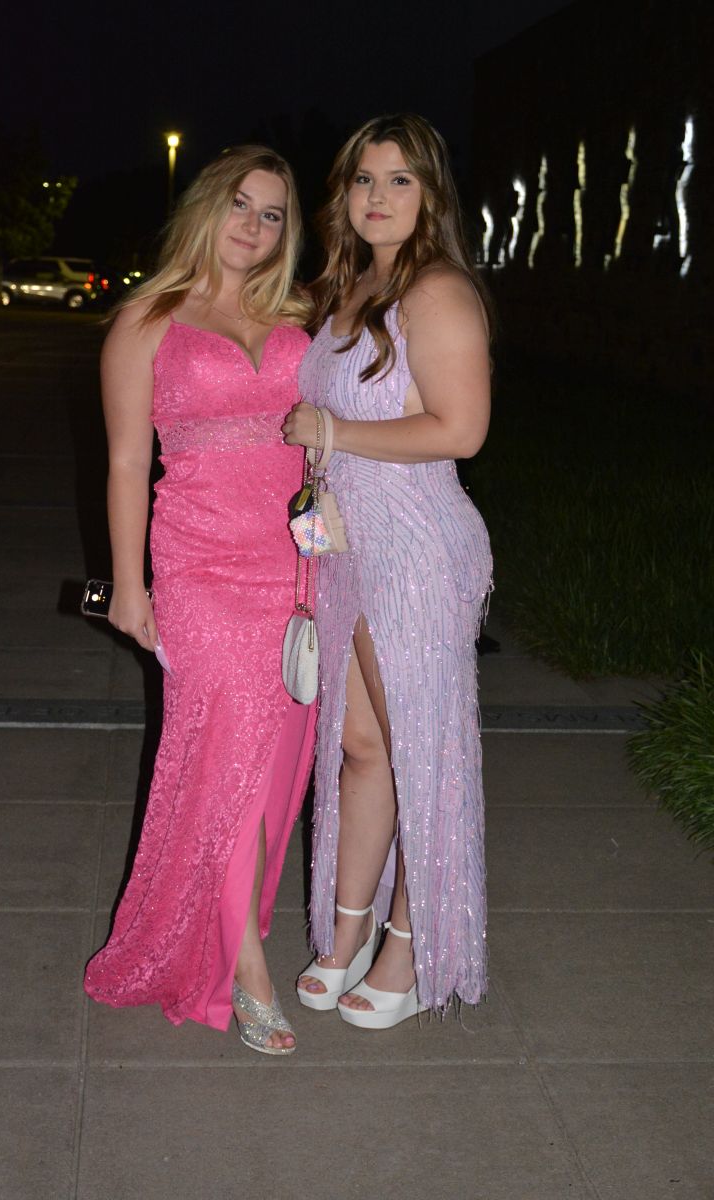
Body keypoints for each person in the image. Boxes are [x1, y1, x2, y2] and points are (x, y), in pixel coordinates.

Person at [84, 146, 316, 1055]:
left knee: (271, 768)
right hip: (201, 569)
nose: (254, 225)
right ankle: (248, 970)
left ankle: (225, 932)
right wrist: (128, 585)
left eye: (272, 214)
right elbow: (124, 463)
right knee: (223, 762)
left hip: (298, 568)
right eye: (241, 205)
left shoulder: (297, 316)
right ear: (207, 208)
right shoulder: (148, 319)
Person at [283, 113, 493, 1029]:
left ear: (430, 193)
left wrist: (334, 432)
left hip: (415, 551)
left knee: (419, 756)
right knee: (362, 749)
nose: (378, 196)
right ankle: (348, 933)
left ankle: (413, 949)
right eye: (365, 179)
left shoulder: (436, 291)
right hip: (346, 547)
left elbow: (461, 429)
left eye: (400, 179)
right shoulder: (348, 287)